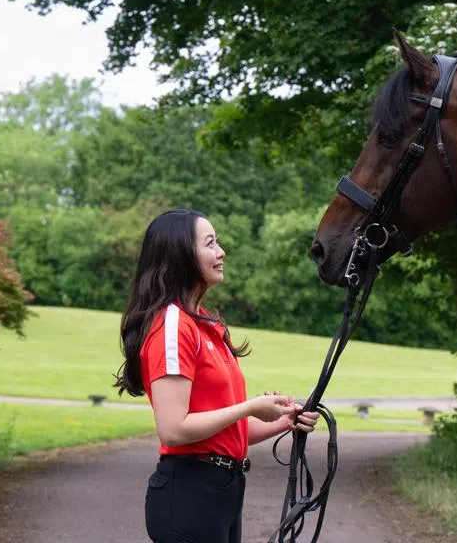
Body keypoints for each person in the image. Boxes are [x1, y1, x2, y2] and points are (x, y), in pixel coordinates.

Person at [116, 209, 319, 543]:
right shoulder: (173, 325)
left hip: (222, 493)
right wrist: (251, 406)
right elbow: (174, 429)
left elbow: (227, 430)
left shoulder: (207, 325)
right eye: (210, 244)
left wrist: (285, 421)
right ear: (181, 255)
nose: (221, 252)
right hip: (190, 494)